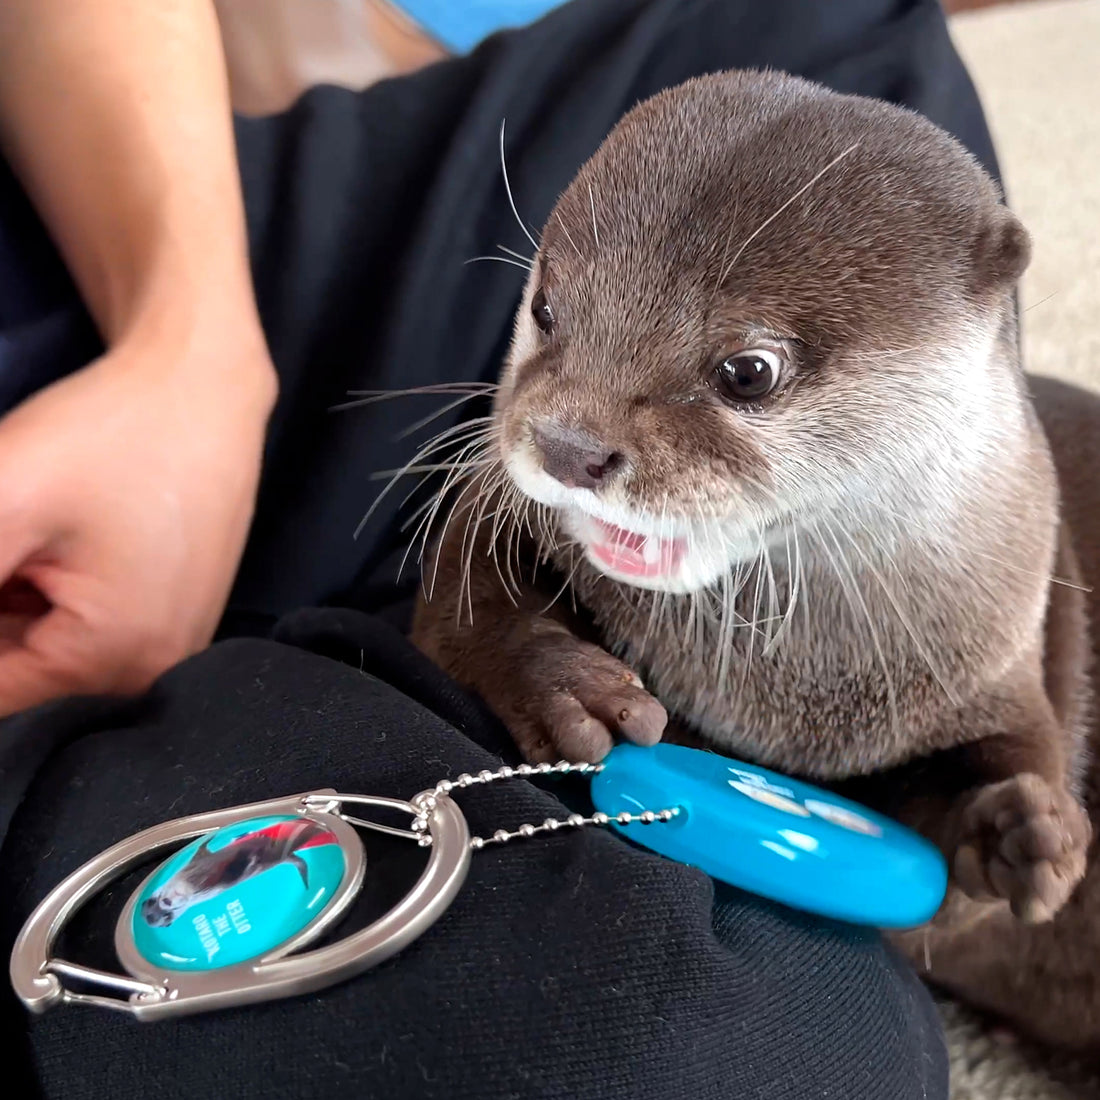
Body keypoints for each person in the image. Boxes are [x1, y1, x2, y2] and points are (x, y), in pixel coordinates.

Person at [0, 1, 1000, 1096]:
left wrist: (187, 348)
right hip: (39, 695)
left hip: (124, 297)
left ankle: (634, 655)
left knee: (850, 65)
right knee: (711, 1042)